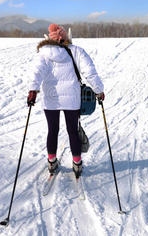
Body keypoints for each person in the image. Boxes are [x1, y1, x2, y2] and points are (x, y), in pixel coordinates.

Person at [27, 24, 104, 177]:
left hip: (51, 99)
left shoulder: (43, 53)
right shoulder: (76, 51)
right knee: (73, 131)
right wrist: (98, 90)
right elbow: (90, 72)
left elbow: (36, 73)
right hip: (72, 99)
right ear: (65, 36)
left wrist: (32, 90)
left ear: (50, 38)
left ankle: (52, 162)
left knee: (52, 130)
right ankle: (77, 163)